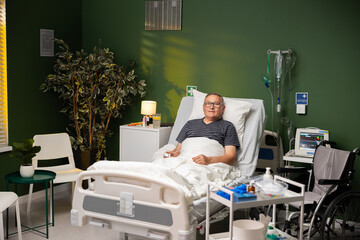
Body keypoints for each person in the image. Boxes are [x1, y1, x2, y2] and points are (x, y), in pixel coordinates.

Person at [164, 92, 240, 166]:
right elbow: (178, 150)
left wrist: (209, 160)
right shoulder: (190, 124)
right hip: (184, 161)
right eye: (208, 103)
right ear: (203, 107)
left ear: (223, 108)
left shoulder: (228, 126)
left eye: (216, 104)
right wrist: (171, 154)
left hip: (208, 165)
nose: (211, 107)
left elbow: (231, 158)